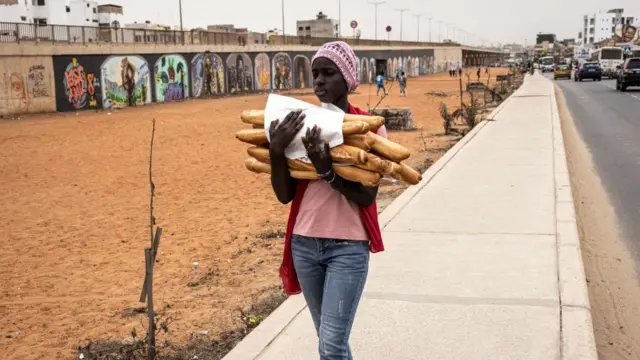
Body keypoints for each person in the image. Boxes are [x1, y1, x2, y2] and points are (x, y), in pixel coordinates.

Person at [268, 41, 386, 360]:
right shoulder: (300, 123)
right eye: (315, 74)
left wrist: (328, 171)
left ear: (346, 78)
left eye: (328, 73)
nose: (318, 80)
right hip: (304, 245)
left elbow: (367, 196)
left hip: (348, 249)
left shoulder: (367, 128)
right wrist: (277, 151)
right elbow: (284, 195)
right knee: (328, 339)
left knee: (332, 342)